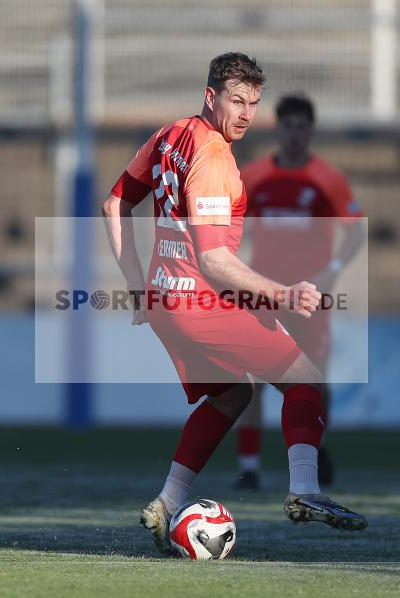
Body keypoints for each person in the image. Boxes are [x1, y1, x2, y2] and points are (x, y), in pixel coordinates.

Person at [102, 52, 367, 555]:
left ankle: (167, 501)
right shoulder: (215, 157)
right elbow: (215, 262)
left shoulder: (169, 134)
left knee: (232, 397)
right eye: (236, 100)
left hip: (164, 299)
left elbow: (114, 202)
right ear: (211, 96)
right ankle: (306, 492)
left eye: (253, 102)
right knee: (305, 378)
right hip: (200, 302)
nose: (246, 112)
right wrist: (283, 293)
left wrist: (139, 285)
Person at [234, 94, 366, 490]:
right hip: (265, 293)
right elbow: (227, 222)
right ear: (277, 129)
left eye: (301, 126)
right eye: (287, 126)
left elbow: (355, 230)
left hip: (310, 297)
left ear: (310, 130)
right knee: (252, 381)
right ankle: (250, 467)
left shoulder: (327, 179)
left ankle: (316, 451)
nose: (294, 134)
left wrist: (332, 271)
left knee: (314, 381)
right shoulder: (254, 176)